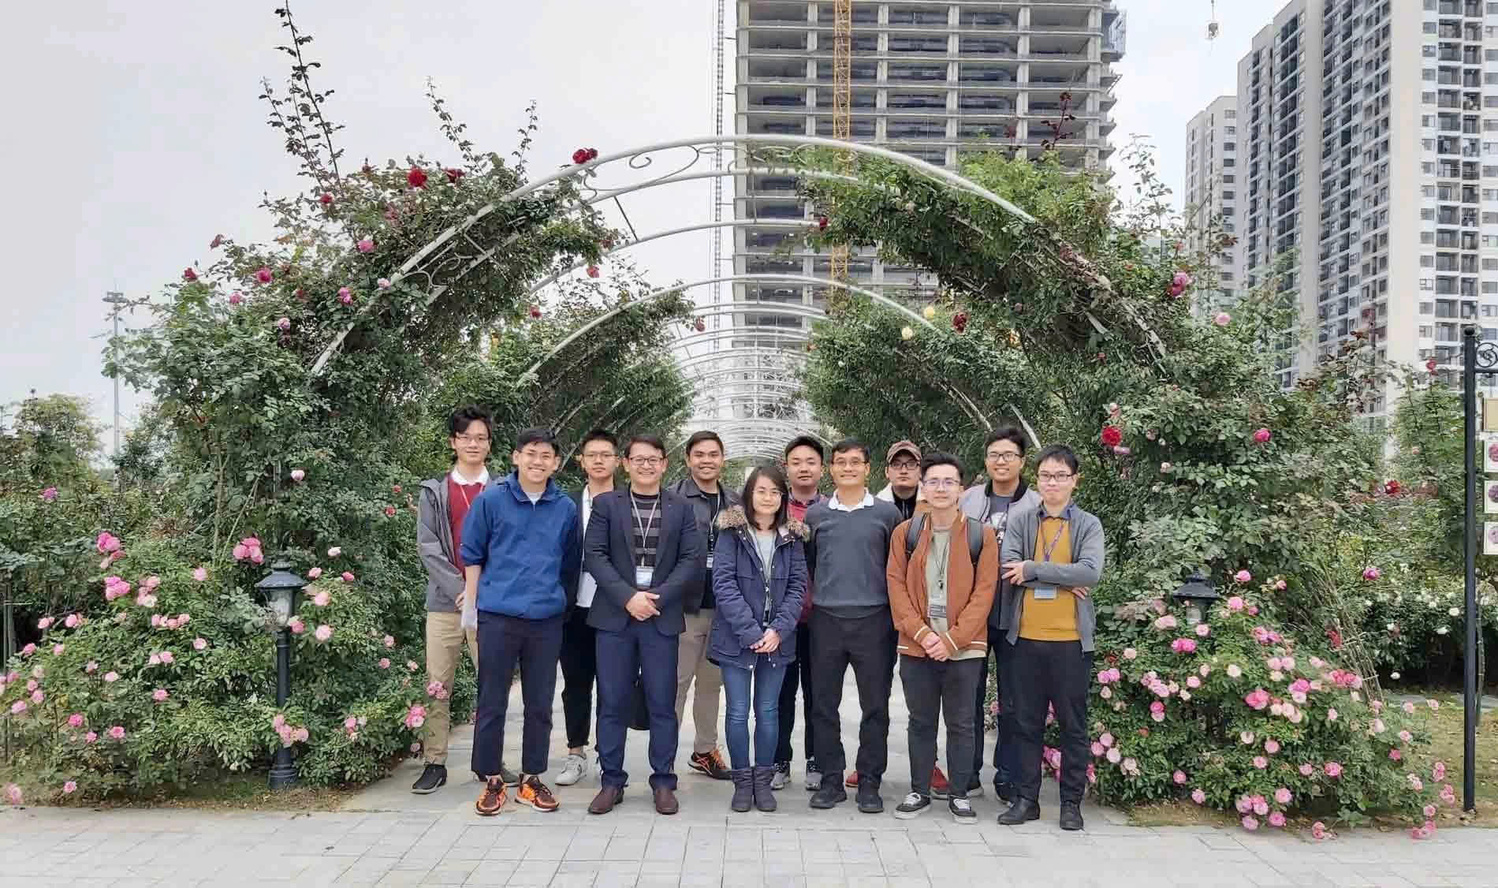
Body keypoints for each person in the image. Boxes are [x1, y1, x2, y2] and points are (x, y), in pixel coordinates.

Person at [460, 428, 580, 816]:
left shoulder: (565, 508)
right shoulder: (492, 500)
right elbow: (473, 554)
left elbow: (570, 563)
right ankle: (492, 779)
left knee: (540, 704)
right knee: (492, 700)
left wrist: (559, 606)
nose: (537, 461)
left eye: (546, 456)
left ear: (556, 463)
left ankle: (531, 779)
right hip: (498, 615)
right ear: (516, 457)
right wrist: (472, 608)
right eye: (531, 453)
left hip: (546, 619)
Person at [584, 434, 703, 815]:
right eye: (639, 459)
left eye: (654, 459)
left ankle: (663, 781)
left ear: (665, 464)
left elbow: (691, 558)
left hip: (660, 618)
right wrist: (627, 597)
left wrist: (658, 598)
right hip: (615, 617)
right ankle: (611, 781)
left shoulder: (681, 508)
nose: (646, 465)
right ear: (626, 463)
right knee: (612, 701)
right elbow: (595, 554)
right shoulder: (606, 504)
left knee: (662, 702)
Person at [997, 444, 1104, 832]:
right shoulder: (1022, 520)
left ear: (1075, 481)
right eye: (1045, 476)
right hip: (1025, 639)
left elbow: (1090, 573)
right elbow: (1010, 568)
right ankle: (1026, 800)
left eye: (1060, 476)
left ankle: (1070, 803)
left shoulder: (1088, 524)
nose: (1052, 483)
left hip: (1071, 642)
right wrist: (1061, 576)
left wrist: (1033, 570)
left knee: (1073, 725)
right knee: (1025, 723)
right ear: (1037, 479)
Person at [886, 452, 998, 824]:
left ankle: (960, 793)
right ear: (923, 487)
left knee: (961, 722)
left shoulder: (981, 535)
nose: (941, 488)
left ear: (961, 489)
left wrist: (951, 640)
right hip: (916, 645)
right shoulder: (907, 533)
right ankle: (919, 790)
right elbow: (896, 586)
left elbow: (984, 594)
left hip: (964, 649)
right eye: (933, 481)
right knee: (920, 720)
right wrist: (921, 633)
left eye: (949, 482)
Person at [412, 405, 518, 795]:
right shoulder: (435, 491)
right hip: (445, 603)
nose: (473, 444)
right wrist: (461, 589)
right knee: (437, 683)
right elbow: (428, 546)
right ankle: (434, 762)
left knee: (493, 683)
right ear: (453, 442)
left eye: (480, 438)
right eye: (465, 437)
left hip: (491, 603)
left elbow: (512, 546)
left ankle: (489, 762)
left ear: (490, 444)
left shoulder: (505, 491)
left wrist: (479, 590)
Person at [803, 438, 903, 813]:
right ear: (831, 469)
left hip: (875, 621)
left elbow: (897, 566)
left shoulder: (887, 515)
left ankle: (869, 782)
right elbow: (810, 563)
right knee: (823, 705)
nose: (848, 468)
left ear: (868, 469)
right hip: (826, 620)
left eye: (855, 462)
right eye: (841, 462)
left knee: (875, 705)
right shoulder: (815, 515)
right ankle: (831, 781)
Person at [709, 465, 808, 813]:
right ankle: (742, 782)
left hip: (777, 641)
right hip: (737, 638)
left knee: (768, 711)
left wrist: (778, 630)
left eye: (775, 492)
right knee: (737, 712)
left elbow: (797, 587)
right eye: (761, 491)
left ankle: (763, 782)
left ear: (783, 497)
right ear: (749, 494)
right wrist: (751, 631)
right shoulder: (731, 534)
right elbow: (723, 584)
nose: (768, 498)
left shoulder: (792, 537)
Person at [958, 426, 1041, 802]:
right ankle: (967, 771)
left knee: (1013, 698)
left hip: (1017, 612)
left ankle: (1007, 774)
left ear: (1022, 461)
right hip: (972, 612)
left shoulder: (1037, 504)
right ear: (986, 460)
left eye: (1008, 455)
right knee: (968, 695)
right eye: (994, 454)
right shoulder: (970, 499)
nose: (1001, 461)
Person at [669, 430, 739, 781]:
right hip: (685, 607)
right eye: (699, 454)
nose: (706, 460)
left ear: (722, 459)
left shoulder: (735, 501)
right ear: (688, 459)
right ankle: (664, 755)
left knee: (712, 684)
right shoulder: (673, 498)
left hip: (723, 609)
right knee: (676, 683)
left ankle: (705, 751)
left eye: (713, 454)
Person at [556, 429, 620, 787]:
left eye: (605, 454)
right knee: (576, 684)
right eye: (592, 454)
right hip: (574, 607)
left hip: (616, 607)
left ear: (617, 461)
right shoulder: (565, 503)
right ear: (581, 461)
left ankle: (606, 754)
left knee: (612, 685)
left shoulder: (629, 502)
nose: (598, 460)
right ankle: (575, 752)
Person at [774, 435, 827, 792]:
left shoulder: (832, 508)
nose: (804, 468)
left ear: (822, 468)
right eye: (796, 462)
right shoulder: (774, 508)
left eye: (811, 462)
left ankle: (816, 758)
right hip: (783, 619)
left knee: (818, 693)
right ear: (786, 467)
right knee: (780, 693)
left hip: (822, 618)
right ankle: (779, 759)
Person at [875, 440, 925, 521]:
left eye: (911, 464)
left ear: (921, 471)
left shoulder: (935, 504)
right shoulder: (875, 507)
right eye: (896, 464)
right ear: (887, 471)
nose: (903, 471)